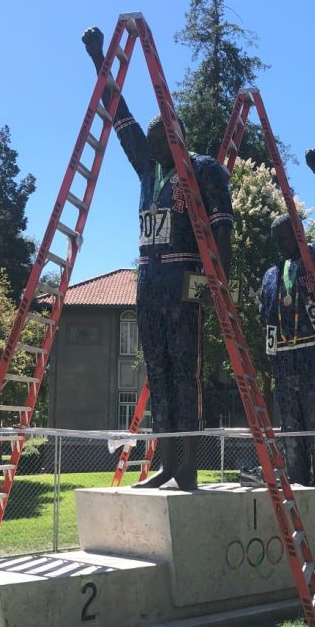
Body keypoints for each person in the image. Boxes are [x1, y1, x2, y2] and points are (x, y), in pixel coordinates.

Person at [82, 27, 233, 490]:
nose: (149, 142)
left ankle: (187, 465)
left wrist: (217, 285)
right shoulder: (149, 171)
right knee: (159, 372)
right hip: (148, 284)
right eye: (148, 139)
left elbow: (224, 227)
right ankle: (166, 462)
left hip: (183, 280)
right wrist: (99, 58)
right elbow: (120, 119)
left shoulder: (203, 169)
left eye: (159, 135)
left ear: (177, 135)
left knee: (185, 374)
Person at [258, 147, 315, 537]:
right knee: (292, 441)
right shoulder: (269, 276)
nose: (280, 244)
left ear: (297, 233)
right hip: (285, 365)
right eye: (275, 239)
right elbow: (267, 325)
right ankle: (300, 519)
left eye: (285, 236)